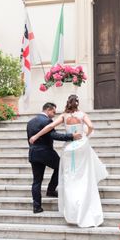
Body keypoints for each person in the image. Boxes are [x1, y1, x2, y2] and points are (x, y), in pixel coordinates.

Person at [29, 95, 108, 227]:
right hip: (81, 145)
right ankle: (84, 198)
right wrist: (85, 137)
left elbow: (49, 128)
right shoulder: (82, 114)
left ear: (67, 103)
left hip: (69, 147)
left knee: (70, 174)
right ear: (77, 104)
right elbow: (91, 126)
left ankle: (71, 206)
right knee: (84, 173)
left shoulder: (64, 116)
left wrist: (36, 136)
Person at [26, 102, 82, 214]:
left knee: (37, 181)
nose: (54, 114)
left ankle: (36, 207)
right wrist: (71, 136)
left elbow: (30, 138)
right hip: (45, 152)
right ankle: (51, 190)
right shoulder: (47, 121)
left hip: (33, 153)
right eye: (53, 112)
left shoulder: (30, 121)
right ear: (48, 109)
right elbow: (54, 136)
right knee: (61, 166)